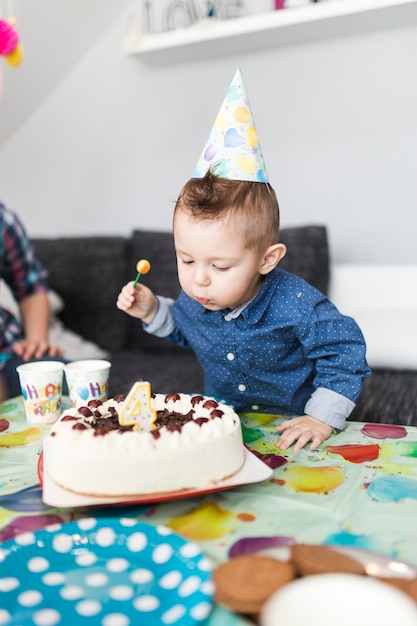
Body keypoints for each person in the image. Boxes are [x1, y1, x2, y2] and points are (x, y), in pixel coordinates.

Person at [116, 68, 371, 451]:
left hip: (294, 425)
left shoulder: (297, 304)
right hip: (228, 424)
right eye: (185, 260)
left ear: (267, 260)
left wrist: (321, 417)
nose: (199, 280)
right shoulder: (200, 297)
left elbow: (345, 350)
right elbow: (186, 329)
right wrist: (152, 310)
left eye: (219, 267)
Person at [0, 200, 68, 398]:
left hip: (8, 356)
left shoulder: (4, 221)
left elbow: (29, 285)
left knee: (74, 387)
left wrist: (36, 341)